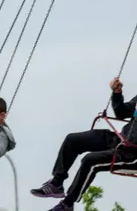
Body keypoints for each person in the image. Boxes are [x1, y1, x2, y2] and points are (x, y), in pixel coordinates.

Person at [30, 77, 137, 211]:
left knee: (90, 160)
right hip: (120, 139)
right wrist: (117, 94)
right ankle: (57, 183)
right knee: (72, 140)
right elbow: (122, 113)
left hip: (132, 154)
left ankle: (67, 204)